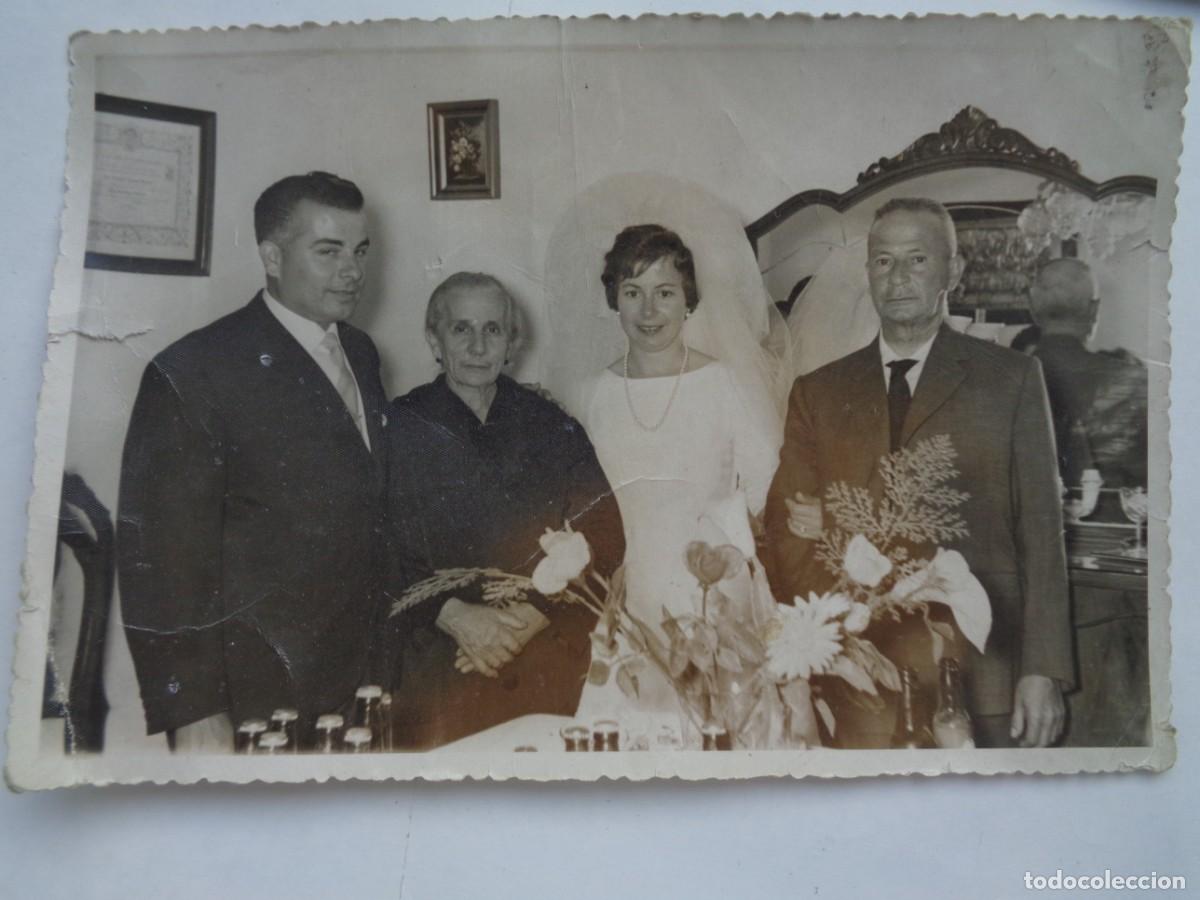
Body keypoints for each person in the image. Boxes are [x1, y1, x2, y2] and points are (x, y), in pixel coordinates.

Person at [765, 197, 1075, 748]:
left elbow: (1041, 535)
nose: (898, 278)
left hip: (985, 669)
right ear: (868, 272)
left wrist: (1044, 668)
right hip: (861, 675)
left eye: (917, 260)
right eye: (883, 261)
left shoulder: (1011, 379)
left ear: (952, 271)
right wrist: (836, 639)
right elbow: (789, 534)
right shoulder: (819, 392)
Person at [118, 171, 387, 750]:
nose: (353, 270)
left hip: (361, 677)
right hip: (259, 695)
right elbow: (160, 562)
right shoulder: (194, 371)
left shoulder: (360, 352)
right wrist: (192, 714)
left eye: (360, 250)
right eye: (328, 251)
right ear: (271, 255)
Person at [383, 272, 624, 750]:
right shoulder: (398, 427)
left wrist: (534, 613)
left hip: (542, 649)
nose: (477, 346)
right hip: (437, 659)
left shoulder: (550, 423)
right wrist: (452, 615)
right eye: (461, 329)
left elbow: (603, 526)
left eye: (492, 330)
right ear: (434, 337)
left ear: (512, 341)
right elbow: (373, 546)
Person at [574, 224, 784, 718]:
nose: (649, 312)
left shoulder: (723, 382)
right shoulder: (593, 394)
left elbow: (765, 488)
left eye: (665, 293)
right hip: (626, 594)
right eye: (633, 293)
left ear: (688, 300)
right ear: (615, 301)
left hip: (711, 588)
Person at [1029, 258, 1148, 496]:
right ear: (1094, 310)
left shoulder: (1002, 378)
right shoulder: (1132, 380)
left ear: (1032, 308)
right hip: (1116, 527)